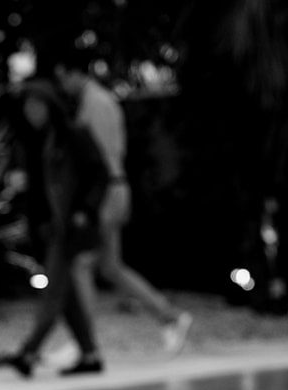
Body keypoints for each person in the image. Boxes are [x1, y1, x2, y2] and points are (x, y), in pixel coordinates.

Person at [46, 42, 193, 355]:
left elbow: (98, 160)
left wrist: (84, 200)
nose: (62, 85)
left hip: (106, 191)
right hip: (110, 188)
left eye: (63, 77)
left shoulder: (96, 103)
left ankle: (85, 342)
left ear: (74, 73)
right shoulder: (95, 100)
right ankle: (169, 316)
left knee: (82, 263)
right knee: (110, 266)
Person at [6, 79, 110, 377]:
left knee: (53, 292)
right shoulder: (32, 142)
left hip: (69, 227)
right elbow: (36, 191)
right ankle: (89, 353)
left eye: (37, 105)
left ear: (51, 106)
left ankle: (28, 352)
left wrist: (85, 211)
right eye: (28, 106)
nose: (32, 112)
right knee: (66, 296)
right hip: (49, 228)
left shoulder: (72, 136)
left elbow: (99, 174)